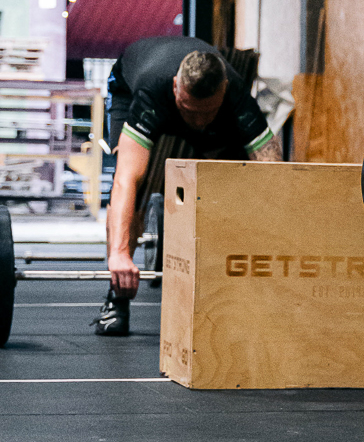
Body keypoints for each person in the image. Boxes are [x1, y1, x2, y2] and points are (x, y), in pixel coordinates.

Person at [98, 36, 280, 335]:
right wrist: (118, 253)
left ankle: (231, 292)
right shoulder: (152, 90)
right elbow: (125, 181)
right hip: (128, 90)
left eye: (206, 111)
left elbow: (275, 177)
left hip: (203, 106)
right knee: (136, 187)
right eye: (189, 110)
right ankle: (116, 298)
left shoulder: (235, 94)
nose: (197, 121)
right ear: (175, 87)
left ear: (223, 90)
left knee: (236, 177)